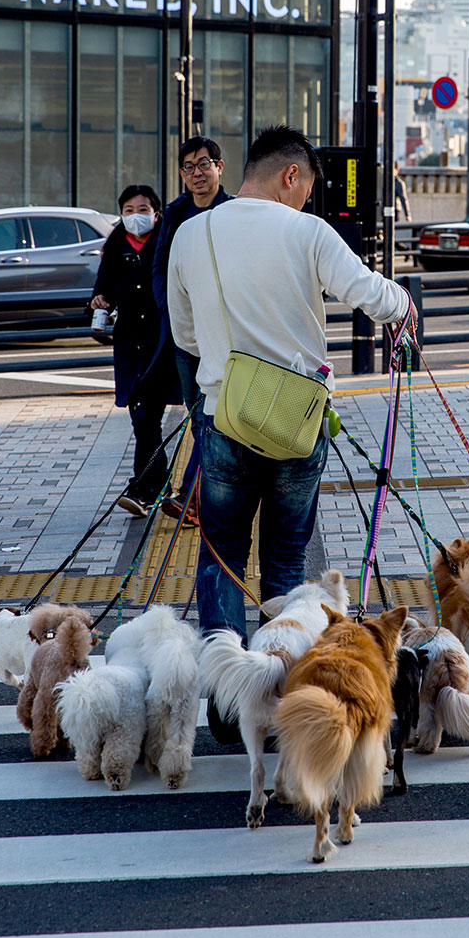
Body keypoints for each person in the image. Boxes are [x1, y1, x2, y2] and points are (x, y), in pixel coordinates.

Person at [167, 124, 411, 641]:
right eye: (305, 189)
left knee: (222, 555)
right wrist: (405, 305)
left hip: (225, 419)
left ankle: (225, 692)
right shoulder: (309, 233)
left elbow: (185, 336)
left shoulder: (191, 234)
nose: (305, 200)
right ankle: (275, 674)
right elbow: (370, 294)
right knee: (284, 558)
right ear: (290, 175)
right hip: (297, 425)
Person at [151, 136, 232, 522]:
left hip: (223, 335)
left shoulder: (234, 211)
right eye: (189, 167)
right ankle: (203, 496)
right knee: (199, 415)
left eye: (204, 164)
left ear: (220, 167)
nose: (197, 173)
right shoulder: (175, 212)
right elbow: (160, 268)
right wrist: (170, 309)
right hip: (184, 336)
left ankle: (193, 496)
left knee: (210, 416)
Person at [90, 185, 181, 517]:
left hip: (160, 343)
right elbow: (103, 285)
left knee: (147, 418)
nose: (135, 216)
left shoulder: (166, 241)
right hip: (129, 345)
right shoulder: (116, 242)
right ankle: (160, 487)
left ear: (156, 213)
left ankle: (142, 490)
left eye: (142, 209)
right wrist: (100, 299)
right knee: (143, 421)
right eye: (128, 210)